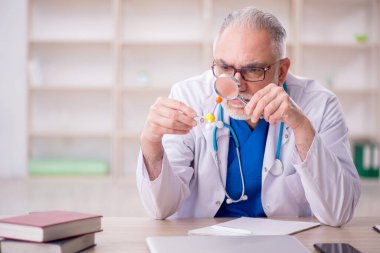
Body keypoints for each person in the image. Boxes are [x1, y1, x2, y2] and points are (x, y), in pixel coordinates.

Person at [136, 6, 360, 226]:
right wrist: (151, 144)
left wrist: (302, 127)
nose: (235, 85)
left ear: (281, 71)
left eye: (253, 70)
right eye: (224, 67)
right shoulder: (188, 96)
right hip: (203, 240)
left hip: (286, 243)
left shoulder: (320, 104)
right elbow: (160, 208)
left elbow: (338, 212)